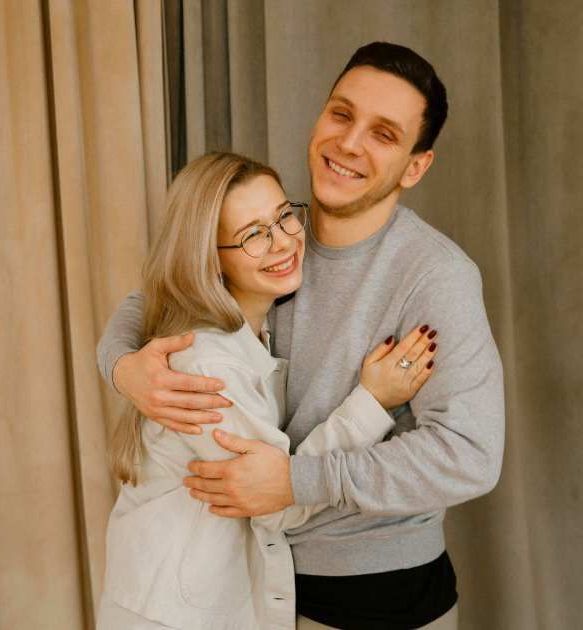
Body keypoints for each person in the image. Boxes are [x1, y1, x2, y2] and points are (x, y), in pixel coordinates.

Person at [97, 42, 504, 629]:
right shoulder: (279, 233)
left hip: (376, 595)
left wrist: (296, 480)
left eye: (384, 134)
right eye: (342, 114)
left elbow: (470, 455)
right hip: (254, 586)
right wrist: (122, 365)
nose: (349, 143)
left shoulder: (435, 276)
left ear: (415, 166)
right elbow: (161, 289)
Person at [98, 152, 436, 629]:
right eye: (253, 234)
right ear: (210, 259)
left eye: (283, 217)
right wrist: (372, 403)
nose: (283, 242)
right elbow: (276, 500)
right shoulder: (207, 363)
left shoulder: (245, 331)